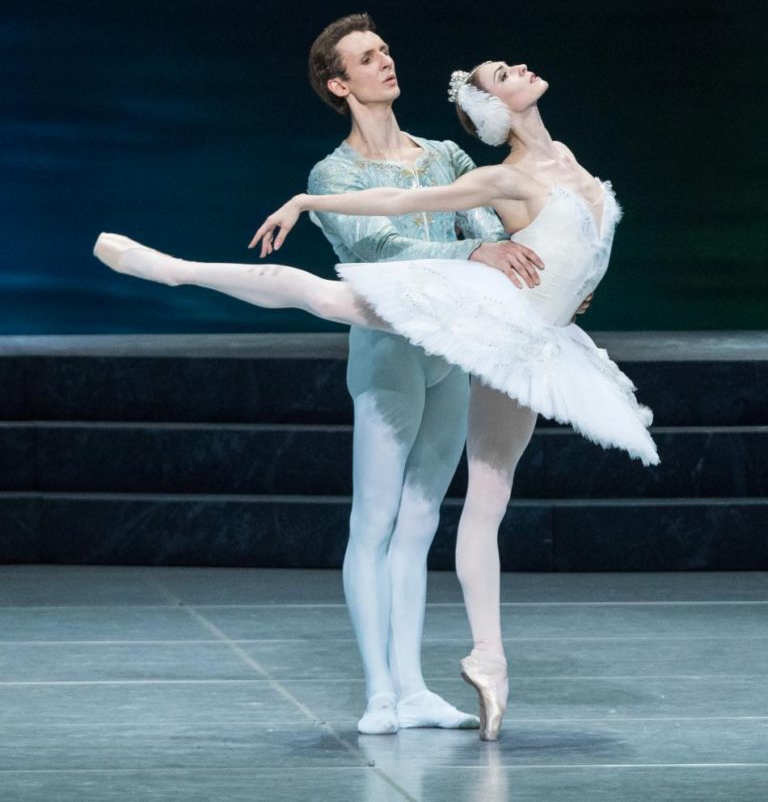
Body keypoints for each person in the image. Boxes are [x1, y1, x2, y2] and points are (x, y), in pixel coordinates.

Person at [94, 53, 657, 741]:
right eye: (368, 57)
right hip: (437, 309)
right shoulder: (365, 170)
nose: (386, 61)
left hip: (510, 332)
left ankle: (454, 672)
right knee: (331, 322)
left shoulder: (476, 154)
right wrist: (308, 204)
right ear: (339, 83)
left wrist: (548, 268)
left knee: (461, 506)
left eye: (385, 51)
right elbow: (390, 223)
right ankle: (176, 271)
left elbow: (513, 227)